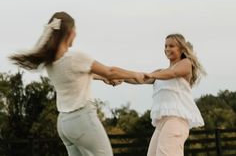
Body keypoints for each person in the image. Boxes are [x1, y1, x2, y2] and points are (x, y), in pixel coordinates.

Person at [9, 11, 144, 156]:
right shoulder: (76, 57)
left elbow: (75, 75)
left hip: (64, 124)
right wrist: (136, 75)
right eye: (75, 30)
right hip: (82, 119)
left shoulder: (50, 61)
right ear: (70, 32)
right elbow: (110, 71)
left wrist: (102, 78)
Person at [119, 33, 205, 156]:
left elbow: (173, 73)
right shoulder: (160, 73)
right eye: (165, 46)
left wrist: (152, 75)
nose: (167, 49)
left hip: (176, 120)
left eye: (171, 46)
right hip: (161, 123)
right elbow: (140, 79)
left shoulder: (186, 63)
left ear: (181, 49)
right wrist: (121, 78)